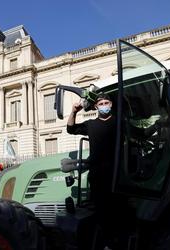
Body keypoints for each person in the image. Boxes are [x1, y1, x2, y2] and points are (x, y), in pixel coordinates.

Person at [67, 93, 129, 250]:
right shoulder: (90, 125)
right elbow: (71, 129)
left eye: (106, 102)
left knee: (119, 212)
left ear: (111, 104)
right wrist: (74, 111)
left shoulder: (119, 122)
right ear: (95, 107)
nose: (104, 105)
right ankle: (107, 244)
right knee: (102, 213)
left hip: (117, 175)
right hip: (98, 176)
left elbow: (139, 133)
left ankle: (120, 242)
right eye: (100, 103)